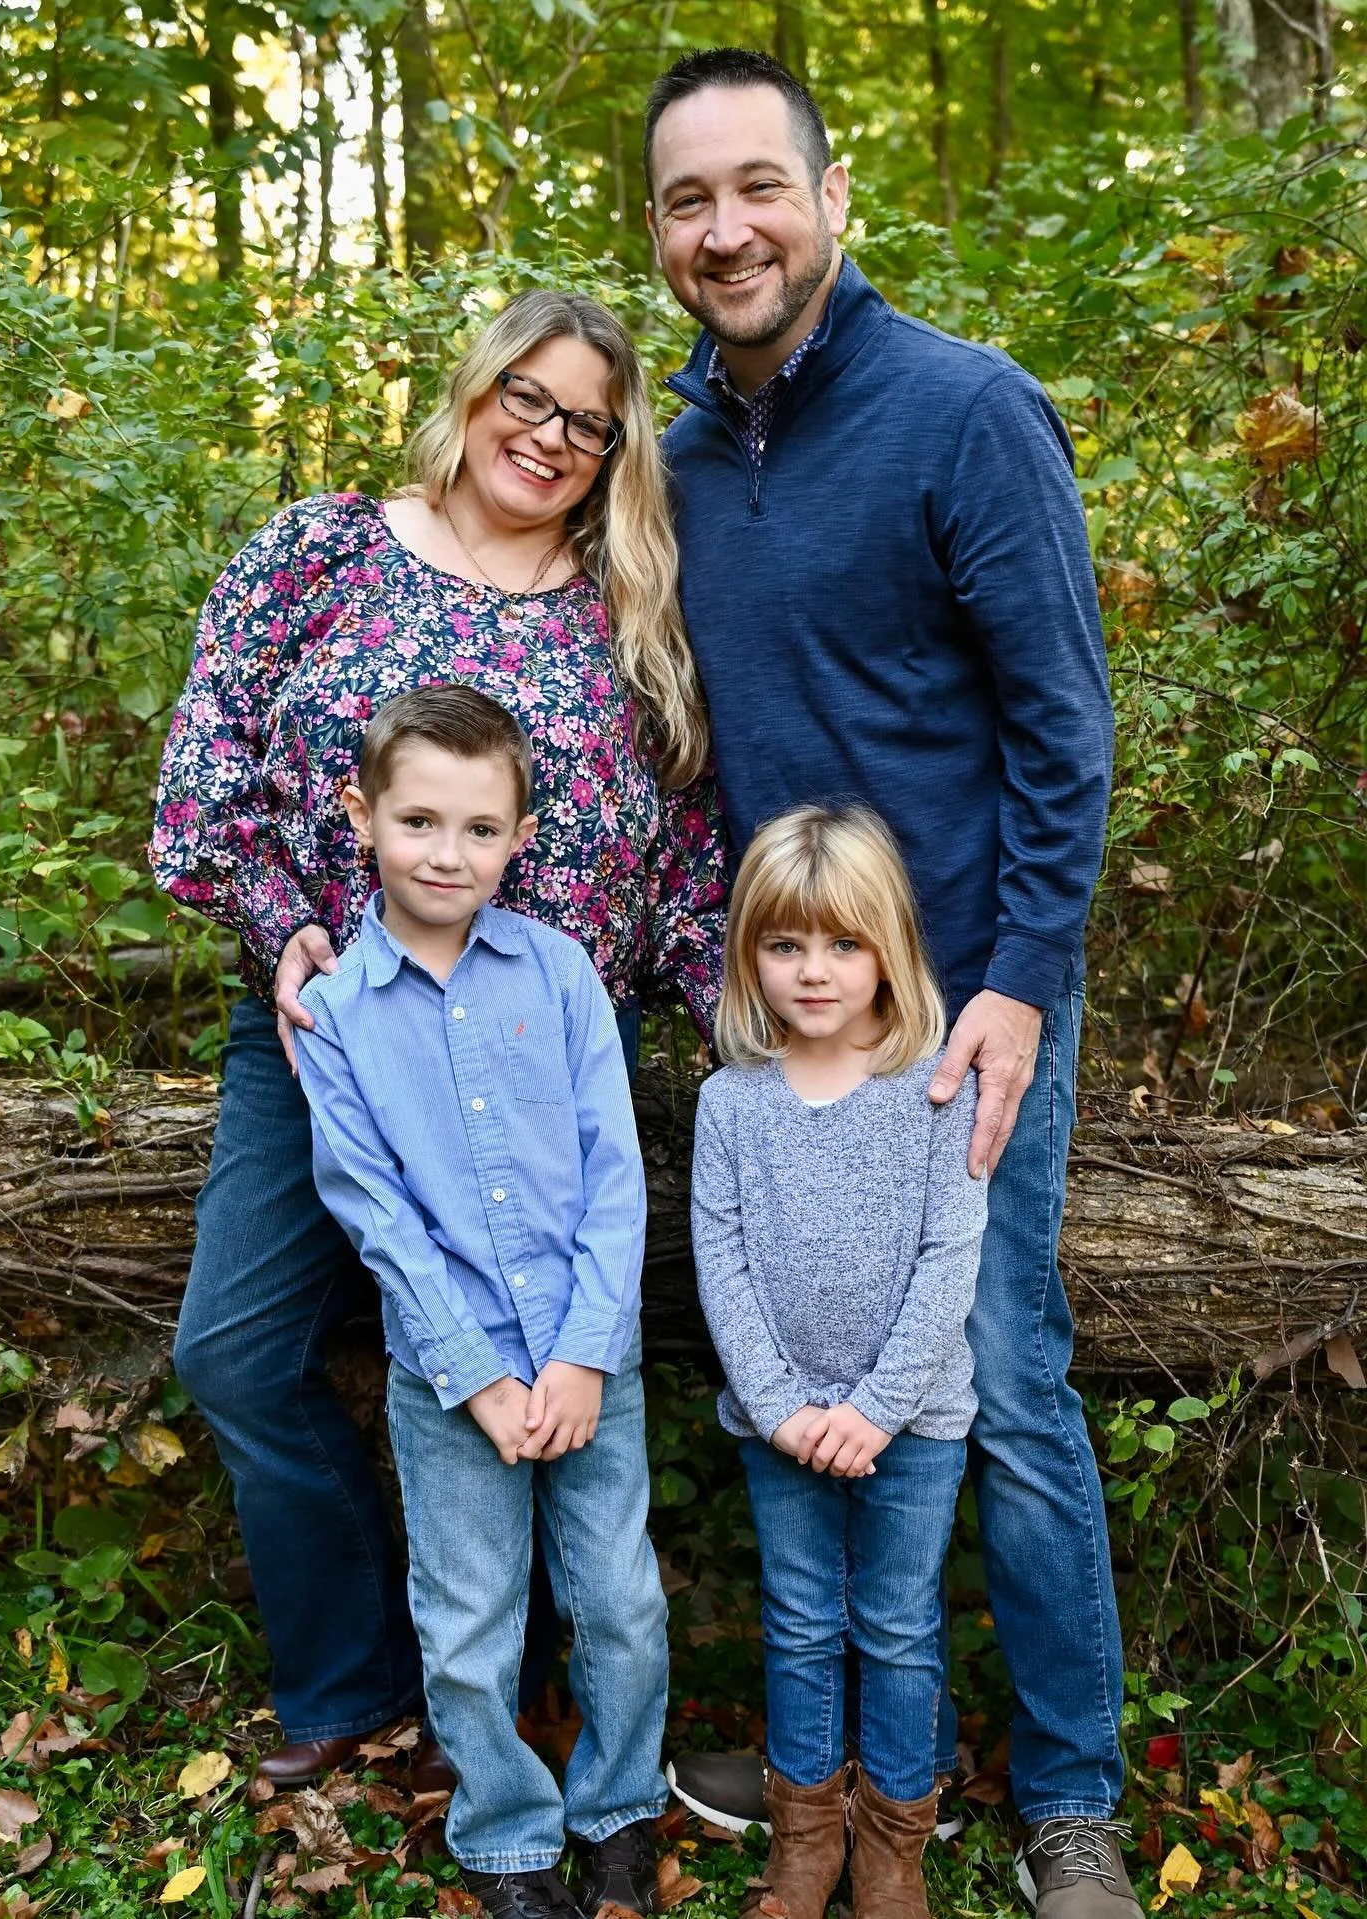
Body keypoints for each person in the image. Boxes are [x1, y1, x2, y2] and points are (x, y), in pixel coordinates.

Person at [644, 47, 1141, 1919]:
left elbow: (1063, 728)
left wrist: (1021, 978)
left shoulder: (964, 411)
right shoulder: (675, 460)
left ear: (833, 199)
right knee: (778, 1346)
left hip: (970, 995)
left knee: (995, 1368)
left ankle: (1073, 1794)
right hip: (788, 1006)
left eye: (760, 185)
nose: (729, 228)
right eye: (691, 200)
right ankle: (823, 1740)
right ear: (662, 232)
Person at [150, 288, 724, 1785]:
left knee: (536, 1374)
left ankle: (504, 1689)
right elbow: (206, 781)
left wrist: (761, 1011)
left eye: (587, 421)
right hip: (332, 1033)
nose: (547, 436)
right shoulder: (319, 553)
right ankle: (354, 1669)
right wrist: (285, 922)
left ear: (615, 451)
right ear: (473, 390)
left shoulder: (633, 608)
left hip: (542, 1068)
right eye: (526, 397)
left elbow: (678, 853)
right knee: (230, 1348)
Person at [294, 686, 666, 1919]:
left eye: (480, 828)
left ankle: (617, 1811)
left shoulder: (558, 973)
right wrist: (481, 1375)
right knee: (468, 1618)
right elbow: (376, 1215)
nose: (447, 854)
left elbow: (616, 1171)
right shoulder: (338, 1013)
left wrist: (580, 1357)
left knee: (618, 1598)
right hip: (450, 1378)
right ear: (361, 816)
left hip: (583, 1355)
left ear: (519, 834)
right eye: (418, 822)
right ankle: (508, 1836)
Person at [693, 804, 987, 1919]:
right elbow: (720, 1259)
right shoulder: (733, 1103)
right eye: (785, 944)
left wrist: (874, 1409)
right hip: (784, 1427)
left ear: (889, 950)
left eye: (844, 943)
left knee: (900, 1624)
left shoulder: (932, 1090)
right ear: (749, 954)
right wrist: (780, 1407)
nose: (814, 971)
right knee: (802, 1618)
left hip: (909, 1426)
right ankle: (806, 1840)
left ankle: (893, 1855)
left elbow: (947, 1260)